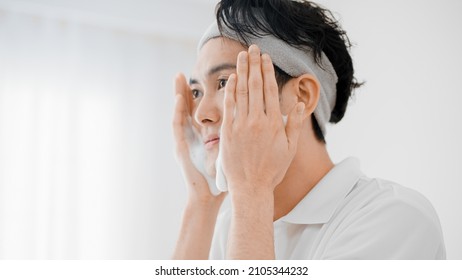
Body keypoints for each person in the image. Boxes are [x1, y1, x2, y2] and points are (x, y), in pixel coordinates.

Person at [172, 0, 445, 259]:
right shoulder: (232, 222)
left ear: (301, 96)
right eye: (196, 91)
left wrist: (251, 191)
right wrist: (202, 201)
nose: (201, 114)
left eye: (222, 82)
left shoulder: (395, 219)